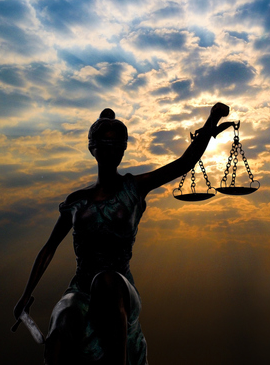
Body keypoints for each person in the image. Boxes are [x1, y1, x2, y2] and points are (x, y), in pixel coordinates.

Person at [14, 103, 234, 365]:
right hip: (81, 289)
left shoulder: (134, 188)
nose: (109, 151)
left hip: (119, 288)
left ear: (123, 149)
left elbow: (183, 164)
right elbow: (49, 248)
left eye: (116, 146)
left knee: (105, 280)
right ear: (92, 149)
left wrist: (210, 123)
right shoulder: (76, 202)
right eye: (103, 146)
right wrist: (24, 298)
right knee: (63, 320)